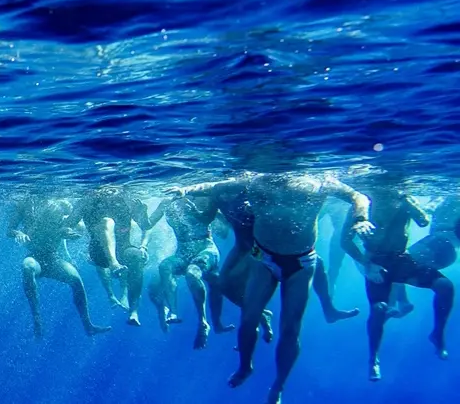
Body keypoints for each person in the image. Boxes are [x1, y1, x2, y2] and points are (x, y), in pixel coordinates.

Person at [176, 173, 372, 404]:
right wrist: (186, 190)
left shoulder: (320, 182)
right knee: (248, 318)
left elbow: (358, 196)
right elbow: (215, 185)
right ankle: (245, 367)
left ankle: (278, 386)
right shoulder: (257, 179)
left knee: (290, 330)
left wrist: (360, 218)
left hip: (300, 262)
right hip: (263, 257)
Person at [341, 184, 451, 381]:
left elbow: (424, 222)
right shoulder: (362, 204)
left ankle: (438, 333)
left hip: (402, 259)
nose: (387, 190)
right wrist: (367, 264)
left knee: (445, 286)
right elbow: (345, 242)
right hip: (376, 261)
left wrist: (411, 203)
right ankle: (373, 358)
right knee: (379, 308)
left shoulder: (403, 199)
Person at [7, 196, 110, 338]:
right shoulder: (26, 202)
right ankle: (37, 318)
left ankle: (88, 325)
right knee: (27, 266)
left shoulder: (62, 203)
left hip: (53, 258)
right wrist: (19, 233)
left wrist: (68, 231)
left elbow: (75, 224)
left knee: (76, 279)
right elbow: (9, 230)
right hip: (35, 257)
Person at [65, 186, 164, 326]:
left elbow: (146, 225)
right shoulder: (86, 201)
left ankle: (134, 311)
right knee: (107, 222)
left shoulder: (127, 199)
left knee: (137, 257)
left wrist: (146, 212)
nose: (108, 191)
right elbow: (68, 224)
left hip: (123, 250)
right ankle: (113, 263)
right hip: (98, 253)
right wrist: (66, 231)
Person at [148, 196, 218, 349]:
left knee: (192, 274)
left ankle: (203, 322)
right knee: (164, 266)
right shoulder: (166, 202)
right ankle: (173, 312)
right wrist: (140, 213)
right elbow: (147, 225)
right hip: (182, 253)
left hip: (205, 249)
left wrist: (192, 206)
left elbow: (209, 217)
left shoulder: (199, 197)